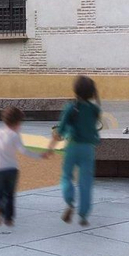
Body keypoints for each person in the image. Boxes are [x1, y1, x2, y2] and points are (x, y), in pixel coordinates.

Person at [45, 75, 102, 226]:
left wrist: (51, 147)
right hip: (88, 149)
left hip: (72, 146)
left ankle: (70, 202)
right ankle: (83, 215)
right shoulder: (95, 109)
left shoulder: (71, 107)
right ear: (91, 92)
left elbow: (60, 130)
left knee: (66, 177)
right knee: (86, 182)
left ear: (75, 90)